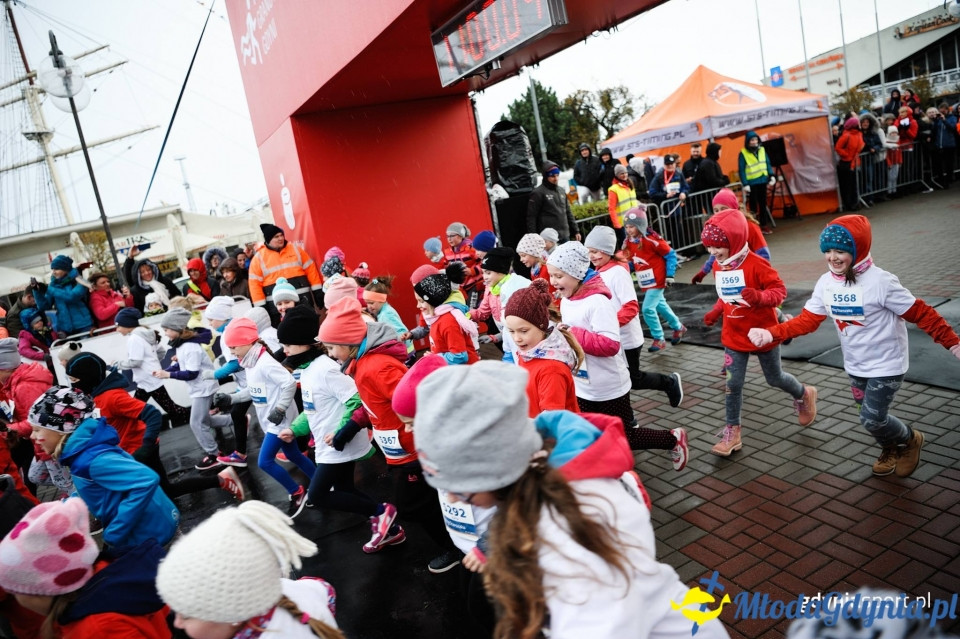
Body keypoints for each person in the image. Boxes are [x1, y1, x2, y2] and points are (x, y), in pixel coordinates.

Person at [414, 362, 731, 639]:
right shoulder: (541, 478)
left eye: (459, 484)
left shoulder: (575, 541)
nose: (453, 496)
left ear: (493, 469)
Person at [748, 215, 960, 478]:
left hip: (887, 365)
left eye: (840, 251)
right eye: (827, 251)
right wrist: (772, 334)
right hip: (856, 365)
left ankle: (911, 439)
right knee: (869, 418)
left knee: (871, 418)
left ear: (857, 249)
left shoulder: (881, 282)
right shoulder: (826, 283)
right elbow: (807, 321)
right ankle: (890, 448)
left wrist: (953, 343)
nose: (832, 258)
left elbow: (922, 314)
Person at [318, 297, 462, 573]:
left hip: (414, 450)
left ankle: (456, 548)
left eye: (332, 347)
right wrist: (354, 424)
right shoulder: (362, 366)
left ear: (349, 344)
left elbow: (414, 402)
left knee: (414, 506)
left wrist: (429, 444)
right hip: (402, 452)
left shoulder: (375, 367)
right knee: (424, 502)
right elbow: (376, 404)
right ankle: (457, 542)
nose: (330, 353)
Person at [547, 242, 687, 468]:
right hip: (584, 384)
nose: (553, 281)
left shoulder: (597, 302)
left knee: (625, 435)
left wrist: (572, 334)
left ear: (576, 274)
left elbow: (610, 345)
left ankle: (672, 439)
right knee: (591, 430)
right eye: (552, 275)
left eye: (559, 275)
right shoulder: (567, 300)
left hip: (608, 385)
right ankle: (605, 466)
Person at [279, 307, 398, 553]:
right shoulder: (310, 370)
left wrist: (343, 430)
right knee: (345, 490)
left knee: (318, 495)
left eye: (288, 344)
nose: (284, 350)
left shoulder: (326, 369)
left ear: (304, 344)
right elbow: (313, 409)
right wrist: (295, 429)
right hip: (327, 445)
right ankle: (390, 528)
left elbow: (356, 399)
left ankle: (382, 512)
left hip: (338, 444)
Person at [700, 209, 817, 457]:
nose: (712, 253)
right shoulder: (719, 267)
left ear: (734, 240)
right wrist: (715, 311)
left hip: (762, 332)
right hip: (734, 335)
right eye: (709, 247)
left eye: (717, 247)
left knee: (774, 378)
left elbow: (780, 292)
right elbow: (727, 297)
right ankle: (733, 432)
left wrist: (760, 297)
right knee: (733, 384)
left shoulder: (757, 264)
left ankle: (804, 393)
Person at [391, 355, 496, 626]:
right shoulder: (438, 441)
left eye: (412, 422)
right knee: (473, 604)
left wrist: (488, 548)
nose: (406, 429)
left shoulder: (481, 449)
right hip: (466, 546)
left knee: (486, 612)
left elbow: (518, 504)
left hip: (494, 552)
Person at [66, 351, 244, 503]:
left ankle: (220, 480)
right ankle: (221, 480)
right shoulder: (94, 396)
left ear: (88, 377)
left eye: (74, 379)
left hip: (140, 450)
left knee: (159, 491)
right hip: (126, 452)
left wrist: (147, 445)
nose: (72, 384)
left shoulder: (112, 397)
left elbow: (151, 414)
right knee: (163, 490)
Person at [156, 501, 344, 639]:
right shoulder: (296, 589)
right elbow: (325, 591)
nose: (177, 623)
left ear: (231, 614)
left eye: (186, 615)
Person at [0, 498, 172, 639]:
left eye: (15, 591)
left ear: (38, 591)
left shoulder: (97, 630)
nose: (15, 597)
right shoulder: (109, 574)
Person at [30, 387, 180, 549]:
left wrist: (114, 533)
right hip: (147, 532)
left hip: (150, 536)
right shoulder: (82, 453)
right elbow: (93, 486)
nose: (32, 436)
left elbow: (146, 481)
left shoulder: (91, 458)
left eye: (37, 430)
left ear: (61, 430)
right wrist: (66, 505)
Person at [215, 317, 315, 516]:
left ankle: (296, 492)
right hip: (271, 420)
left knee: (264, 462)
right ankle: (323, 483)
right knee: (294, 454)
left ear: (246, 342)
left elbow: (288, 383)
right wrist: (231, 398)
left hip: (280, 421)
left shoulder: (265, 363)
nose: (232, 352)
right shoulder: (251, 363)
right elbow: (253, 391)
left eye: (233, 347)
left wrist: (279, 409)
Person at [154, 308, 235, 471]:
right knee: (205, 420)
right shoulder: (182, 345)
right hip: (200, 387)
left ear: (177, 329)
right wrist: (170, 369)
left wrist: (168, 375)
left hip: (203, 388)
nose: (165, 333)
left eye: (167, 330)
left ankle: (214, 455)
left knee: (196, 423)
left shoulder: (189, 347)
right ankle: (237, 419)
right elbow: (185, 366)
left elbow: (191, 373)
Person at [503, 280, 581, 414]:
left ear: (541, 327)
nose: (517, 338)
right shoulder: (529, 352)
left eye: (523, 331)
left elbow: (551, 421)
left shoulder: (551, 370)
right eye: (511, 331)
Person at [618, 210, 687, 352]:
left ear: (641, 225)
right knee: (661, 305)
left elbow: (670, 254)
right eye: (627, 227)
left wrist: (669, 275)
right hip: (646, 281)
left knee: (648, 309)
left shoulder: (651, 239)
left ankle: (659, 338)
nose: (629, 230)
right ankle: (678, 327)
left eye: (632, 226)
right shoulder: (629, 242)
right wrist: (624, 270)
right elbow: (632, 261)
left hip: (658, 279)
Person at [113, 308, 190, 427]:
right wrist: (152, 362)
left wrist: (117, 364)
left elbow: (136, 362)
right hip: (148, 378)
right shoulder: (146, 333)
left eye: (118, 326)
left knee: (169, 408)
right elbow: (161, 352)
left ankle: (196, 416)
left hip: (148, 378)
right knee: (136, 408)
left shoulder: (134, 338)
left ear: (127, 325)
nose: (117, 329)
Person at [0, 337, 48, 503]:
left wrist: (9, 430)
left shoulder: (24, 386)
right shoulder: (13, 382)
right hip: (31, 441)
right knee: (32, 477)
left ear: (6, 369)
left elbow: (35, 421)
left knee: (33, 479)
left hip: (43, 441)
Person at [248, 223, 324, 324]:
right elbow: (254, 285)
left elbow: (311, 270)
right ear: (268, 239)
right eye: (276, 237)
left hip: (303, 302)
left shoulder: (296, 250)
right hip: (277, 309)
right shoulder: (258, 259)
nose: (280, 238)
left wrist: (317, 291)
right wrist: (262, 307)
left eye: (281, 235)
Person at [692, 190, 770, 285]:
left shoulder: (750, 226)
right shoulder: (719, 229)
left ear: (734, 208)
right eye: (716, 210)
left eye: (723, 209)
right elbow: (716, 253)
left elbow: (764, 254)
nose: (720, 213)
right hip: (731, 275)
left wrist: (762, 276)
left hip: (750, 272)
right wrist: (703, 271)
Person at [472, 247, 530, 363]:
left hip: (523, 338)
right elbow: (482, 312)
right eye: (483, 273)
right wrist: (467, 315)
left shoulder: (514, 288)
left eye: (488, 273)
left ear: (501, 271)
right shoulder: (490, 288)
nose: (485, 277)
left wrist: (497, 337)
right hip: (508, 337)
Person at [414, 264, 480, 365]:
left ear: (433, 299)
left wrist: (434, 358)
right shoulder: (435, 318)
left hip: (465, 374)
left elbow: (460, 356)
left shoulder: (448, 322)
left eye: (421, 301)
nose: (418, 306)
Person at [32, 255, 93, 336]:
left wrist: (48, 289)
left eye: (56, 269)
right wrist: (36, 291)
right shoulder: (53, 286)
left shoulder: (80, 281)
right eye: (52, 269)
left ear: (66, 269)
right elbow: (45, 307)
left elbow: (71, 297)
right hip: (65, 329)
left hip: (84, 326)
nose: (53, 272)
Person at [526, 161, 580, 243]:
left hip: (565, 235)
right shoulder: (538, 193)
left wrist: (576, 230)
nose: (556, 178)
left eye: (557, 175)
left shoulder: (561, 190)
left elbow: (568, 212)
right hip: (549, 239)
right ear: (546, 176)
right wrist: (534, 237)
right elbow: (531, 217)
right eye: (552, 176)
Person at [363, 275, 414, 355]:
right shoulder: (383, 311)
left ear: (381, 299)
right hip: (405, 352)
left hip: (406, 353)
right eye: (367, 303)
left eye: (371, 303)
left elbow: (402, 332)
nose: (369, 306)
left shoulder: (386, 314)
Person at [737, 131, 776, 233]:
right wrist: (745, 183)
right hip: (752, 183)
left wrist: (771, 175)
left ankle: (763, 225)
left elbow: (767, 163)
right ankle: (755, 226)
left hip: (763, 180)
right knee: (753, 206)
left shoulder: (762, 150)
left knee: (763, 204)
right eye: (752, 140)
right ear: (748, 142)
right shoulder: (743, 153)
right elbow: (741, 169)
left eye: (755, 140)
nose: (754, 142)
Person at [123, 245, 181, 313]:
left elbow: (178, 297)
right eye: (142, 272)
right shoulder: (136, 290)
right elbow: (129, 276)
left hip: (172, 314)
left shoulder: (165, 281)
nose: (146, 273)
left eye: (148, 269)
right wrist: (130, 258)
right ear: (138, 275)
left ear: (153, 269)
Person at [647, 154, 691, 245]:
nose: (670, 166)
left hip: (677, 208)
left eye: (672, 164)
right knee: (669, 231)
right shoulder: (659, 176)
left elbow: (685, 187)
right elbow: (652, 193)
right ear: (664, 165)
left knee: (679, 230)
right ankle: (673, 249)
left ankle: (682, 249)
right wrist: (665, 195)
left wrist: (684, 193)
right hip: (666, 211)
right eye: (668, 164)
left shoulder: (678, 173)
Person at [442, 222, 485, 308]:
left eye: (452, 236)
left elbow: (484, 262)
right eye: (447, 236)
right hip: (460, 288)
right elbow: (446, 266)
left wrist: (472, 271)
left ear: (461, 236)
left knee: (472, 309)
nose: (449, 239)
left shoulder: (470, 248)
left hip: (474, 286)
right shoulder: (447, 252)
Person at [835, 116, 865, 212]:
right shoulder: (847, 135)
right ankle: (850, 204)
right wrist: (847, 155)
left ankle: (853, 203)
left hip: (853, 162)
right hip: (847, 163)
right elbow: (838, 148)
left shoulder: (856, 134)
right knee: (848, 185)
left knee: (853, 184)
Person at [606, 164, 637, 248]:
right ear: (617, 175)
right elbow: (611, 208)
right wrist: (617, 225)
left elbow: (633, 202)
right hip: (623, 225)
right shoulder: (613, 189)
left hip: (634, 221)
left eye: (625, 173)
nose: (624, 175)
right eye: (621, 173)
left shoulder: (630, 185)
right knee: (628, 248)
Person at [932, 103, 957, 187]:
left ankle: (949, 179)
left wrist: (944, 120)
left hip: (949, 145)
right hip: (939, 144)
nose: (942, 112)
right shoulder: (938, 119)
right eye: (941, 111)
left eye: (944, 110)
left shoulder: (952, 118)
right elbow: (934, 131)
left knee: (949, 164)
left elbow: (952, 128)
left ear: (947, 110)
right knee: (939, 164)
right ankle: (941, 180)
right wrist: (935, 121)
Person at [885, 125, 902, 198]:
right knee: (890, 177)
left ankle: (894, 190)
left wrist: (900, 161)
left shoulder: (898, 141)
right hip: (891, 163)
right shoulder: (887, 142)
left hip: (896, 162)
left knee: (895, 176)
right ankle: (889, 191)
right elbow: (886, 154)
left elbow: (900, 152)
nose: (894, 134)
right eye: (892, 133)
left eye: (895, 132)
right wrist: (888, 162)